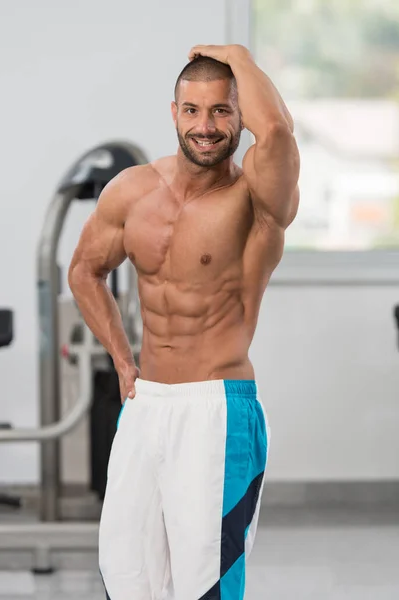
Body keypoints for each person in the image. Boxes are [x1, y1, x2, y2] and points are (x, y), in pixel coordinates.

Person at [68, 44, 300, 600]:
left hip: (216, 409)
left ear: (241, 117)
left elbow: (279, 136)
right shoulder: (132, 190)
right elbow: (84, 270)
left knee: (206, 585)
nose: (206, 126)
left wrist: (236, 54)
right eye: (193, 110)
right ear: (173, 112)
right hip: (146, 405)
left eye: (222, 110)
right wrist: (123, 360)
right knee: (126, 575)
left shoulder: (255, 201)